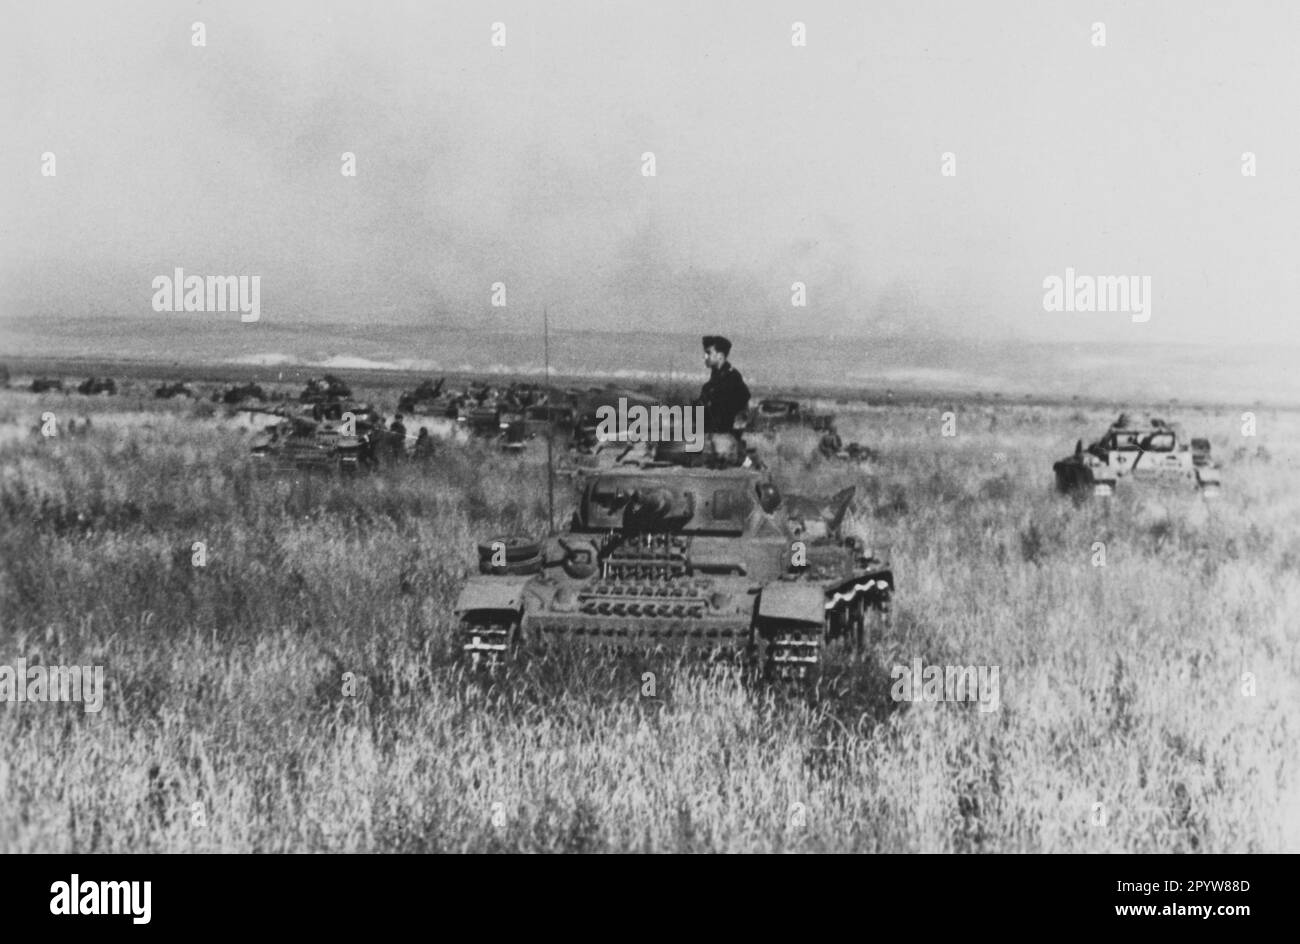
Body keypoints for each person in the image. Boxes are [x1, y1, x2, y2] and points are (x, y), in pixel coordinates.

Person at [698, 335, 750, 466]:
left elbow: (741, 407)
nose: (705, 357)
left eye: (708, 353)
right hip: (710, 439)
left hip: (724, 442)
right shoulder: (712, 382)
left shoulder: (732, 379)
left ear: (720, 356)